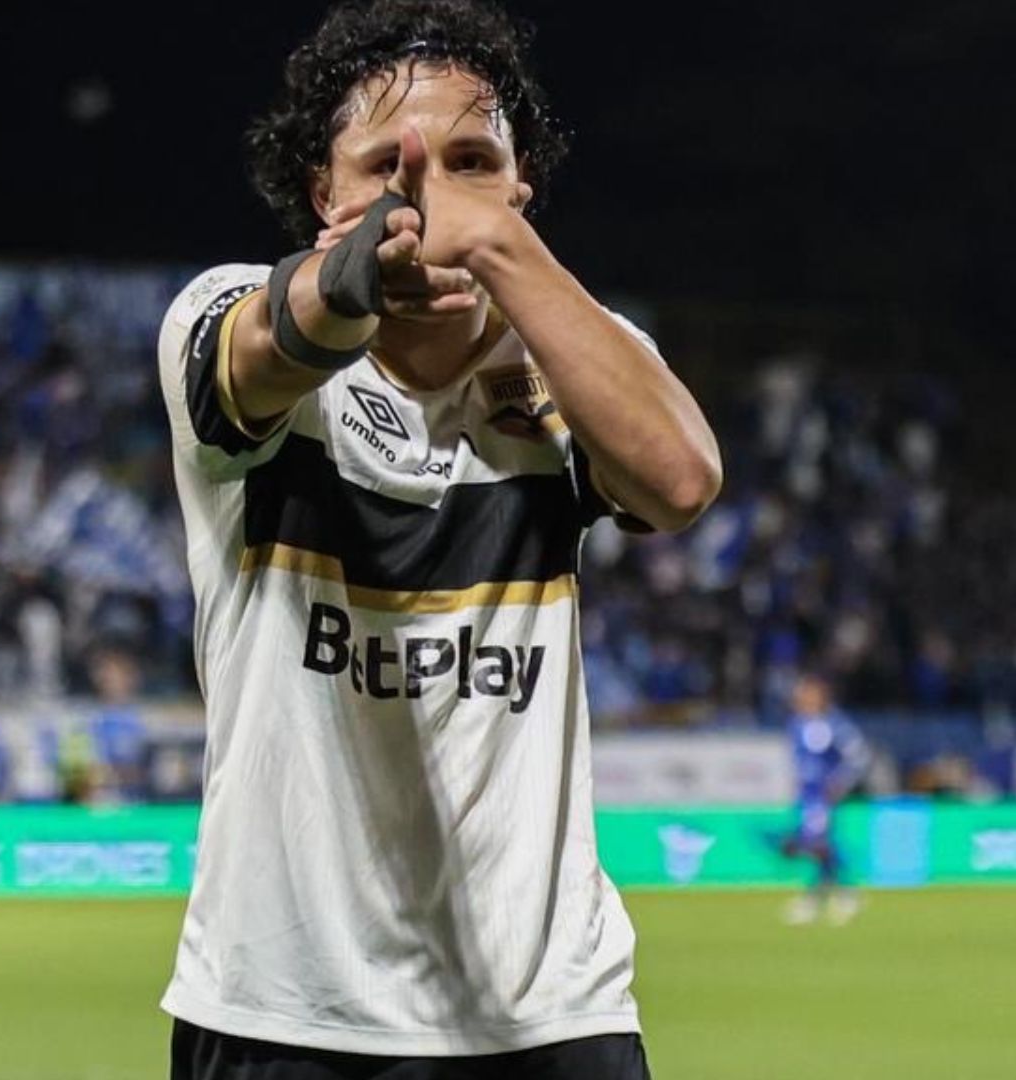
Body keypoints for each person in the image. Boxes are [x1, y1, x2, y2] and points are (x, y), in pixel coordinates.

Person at [155, 2, 721, 1076]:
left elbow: (681, 480)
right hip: (288, 1014)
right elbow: (268, 347)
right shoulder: (217, 311)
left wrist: (499, 245)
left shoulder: (573, 357)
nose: (430, 195)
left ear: (520, 186)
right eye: (388, 167)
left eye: (472, 163)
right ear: (323, 193)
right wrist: (361, 273)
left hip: (549, 1015)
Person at [774, 672, 870, 926]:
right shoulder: (796, 723)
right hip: (806, 794)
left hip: (824, 793)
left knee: (817, 844)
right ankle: (840, 893)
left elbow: (858, 755)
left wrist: (841, 782)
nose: (802, 698)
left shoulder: (835, 723)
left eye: (808, 693)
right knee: (817, 845)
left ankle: (823, 896)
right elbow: (799, 760)